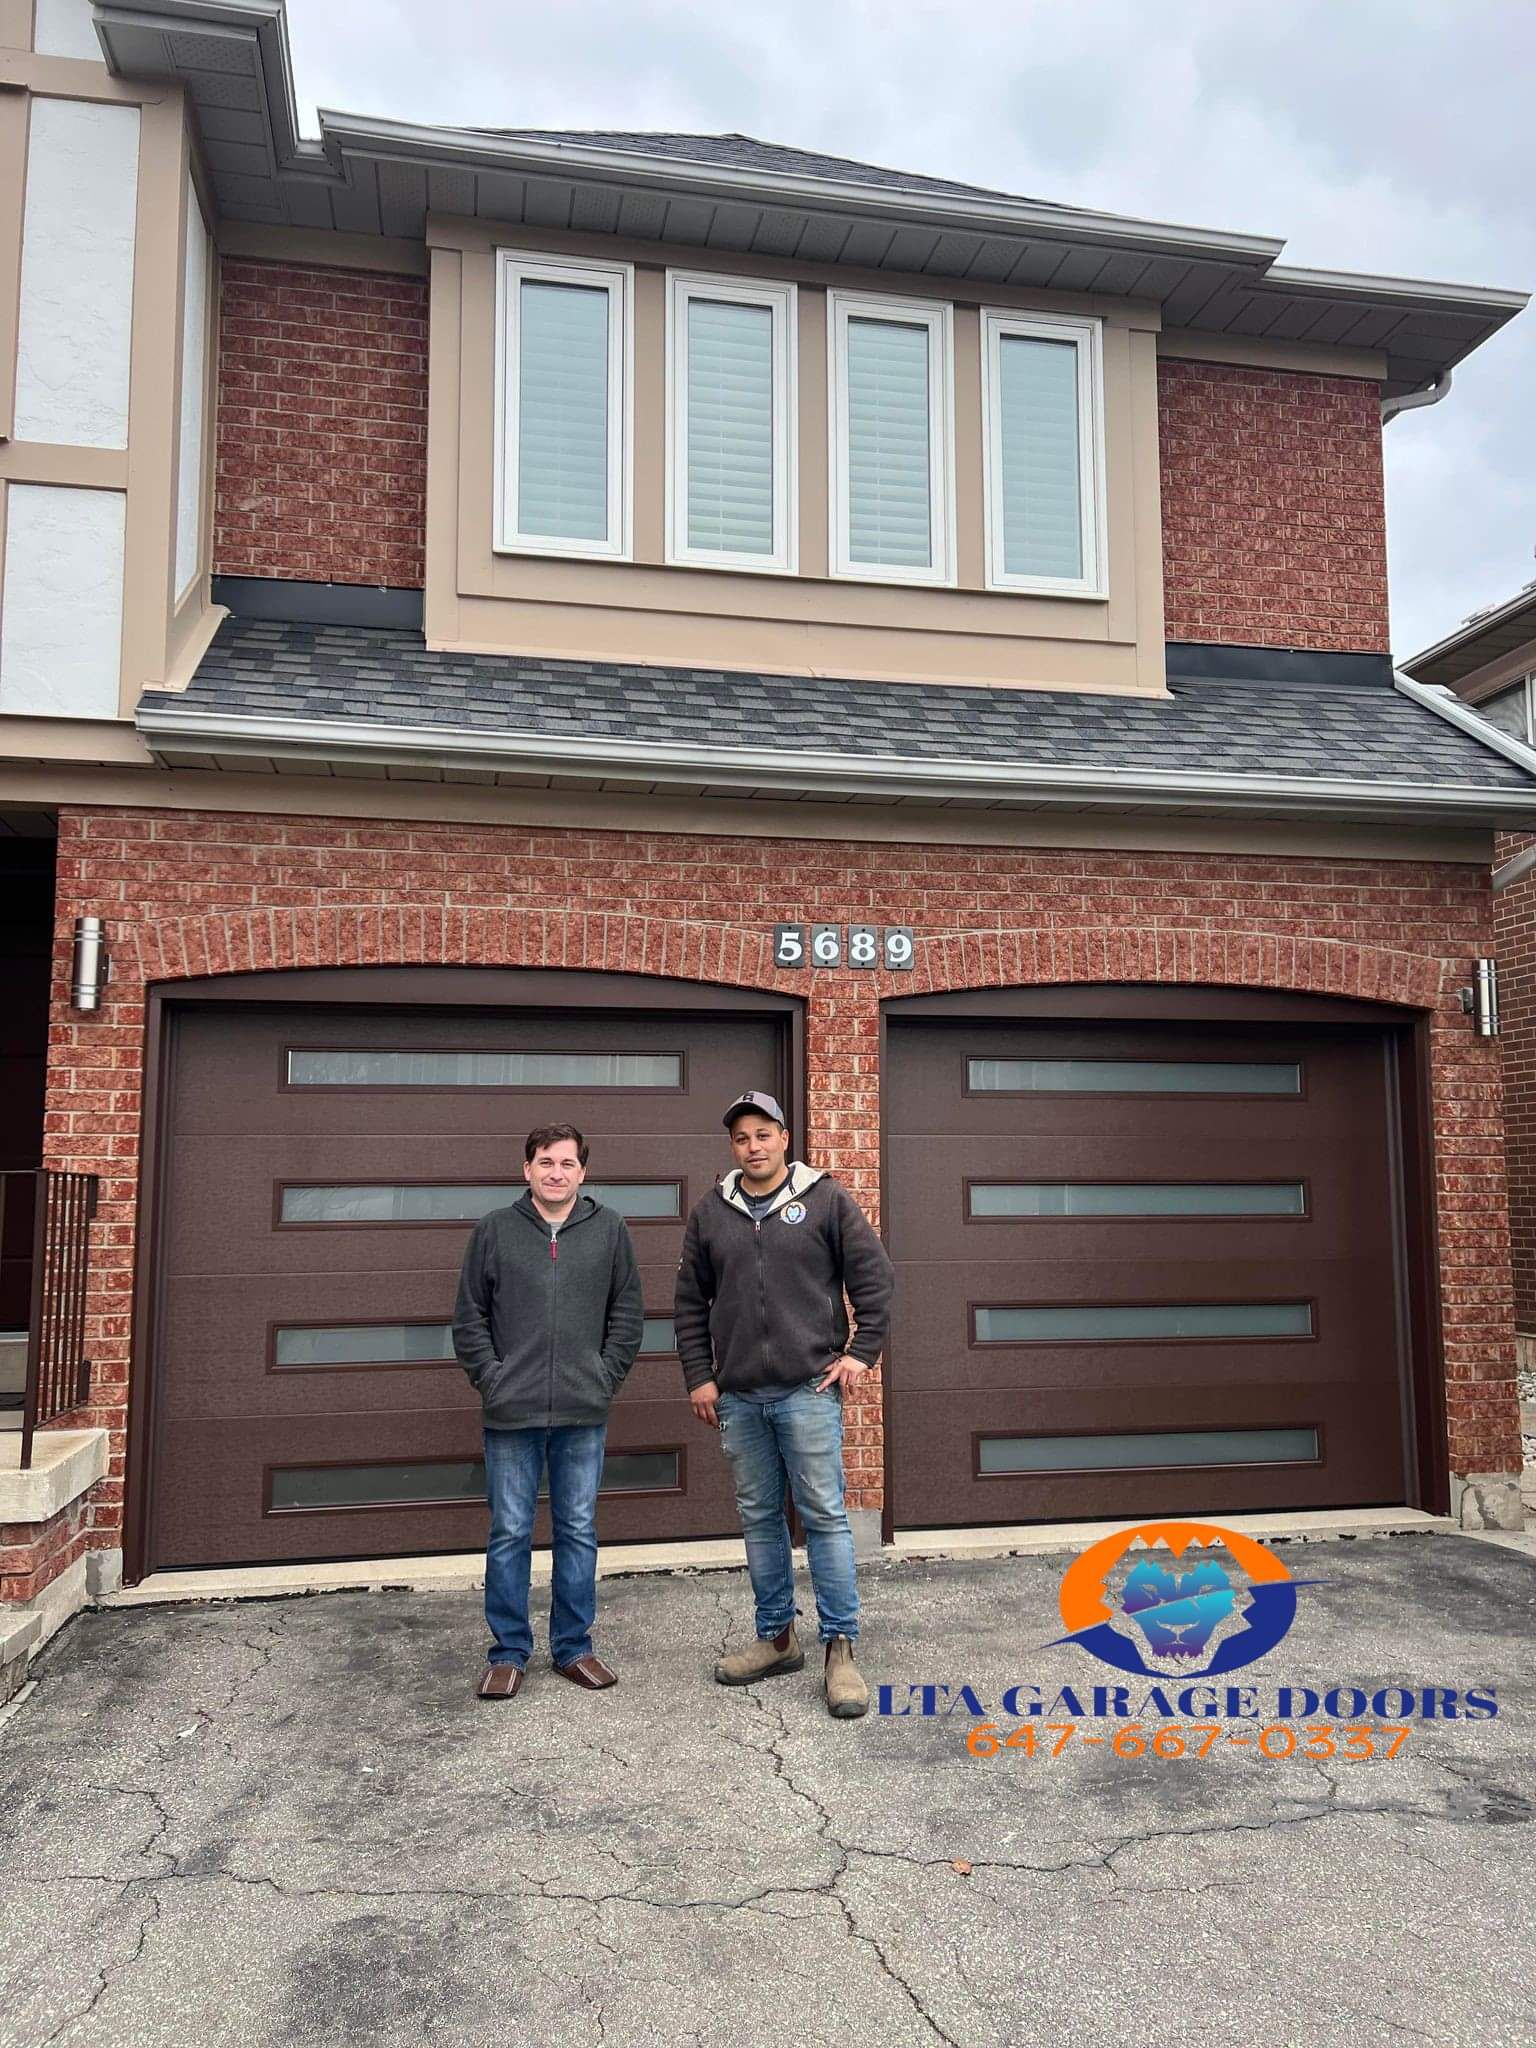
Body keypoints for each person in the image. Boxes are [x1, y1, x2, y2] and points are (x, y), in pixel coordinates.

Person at [674, 1090, 894, 1719]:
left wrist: (862, 1353)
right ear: (733, 1147)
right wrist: (700, 1376)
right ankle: (776, 1640)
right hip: (739, 1397)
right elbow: (690, 1303)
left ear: (784, 1137)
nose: (754, 1146)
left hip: (806, 1391)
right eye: (742, 1138)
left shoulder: (826, 1200)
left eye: (764, 1134)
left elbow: (874, 1281)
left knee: (824, 1517)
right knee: (760, 1520)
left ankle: (840, 1650)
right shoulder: (712, 1213)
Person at [453, 1122, 643, 1700]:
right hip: (512, 1413)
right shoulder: (495, 1231)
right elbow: (470, 1317)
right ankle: (508, 1652)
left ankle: (573, 1648)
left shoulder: (609, 1229)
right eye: (545, 1162)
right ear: (527, 1169)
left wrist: (603, 1378)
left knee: (578, 1530)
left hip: (583, 1412)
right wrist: (494, 1381)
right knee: (509, 1531)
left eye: (566, 1163)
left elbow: (627, 1313)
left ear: (582, 1172)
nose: (556, 1172)